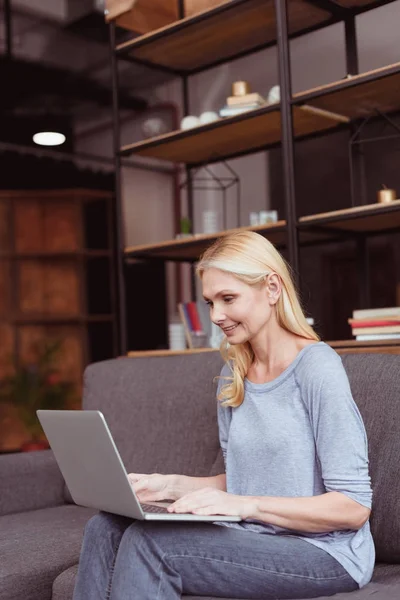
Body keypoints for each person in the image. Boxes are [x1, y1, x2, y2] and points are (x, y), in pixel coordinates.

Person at [73, 231, 374, 600]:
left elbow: (354, 507)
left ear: (272, 288)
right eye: (210, 302)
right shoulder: (234, 375)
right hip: (252, 537)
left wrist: (248, 506)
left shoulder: (316, 368)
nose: (216, 315)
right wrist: (169, 486)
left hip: (324, 553)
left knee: (152, 543)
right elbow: (243, 481)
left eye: (228, 299)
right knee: (104, 528)